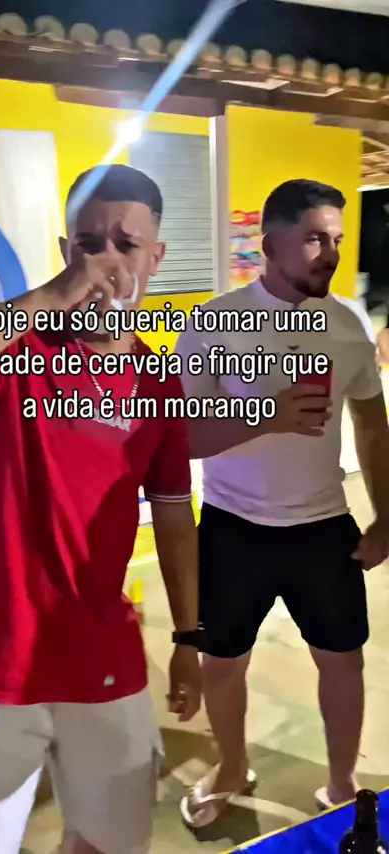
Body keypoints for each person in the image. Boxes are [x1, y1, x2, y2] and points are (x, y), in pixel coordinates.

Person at [0, 164, 201, 854]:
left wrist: (190, 638)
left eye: (126, 244)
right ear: (65, 251)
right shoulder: (15, 350)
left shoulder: (159, 382)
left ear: (156, 257)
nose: (105, 262)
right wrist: (47, 297)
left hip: (100, 651)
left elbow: (174, 517)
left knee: (112, 840)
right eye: (87, 245)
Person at [175, 179, 389, 828]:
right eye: (315, 239)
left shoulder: (348, 324)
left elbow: (372, 425)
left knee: (343, 661)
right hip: (232, 527)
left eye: (338, 239)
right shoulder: (213, 323)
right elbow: (183, 435)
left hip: (323, 526)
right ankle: (231, 766)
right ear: (270, 245)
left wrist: (387, 518)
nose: (332, 254)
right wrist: (268, 414)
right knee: (221, 665)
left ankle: (342, 784)